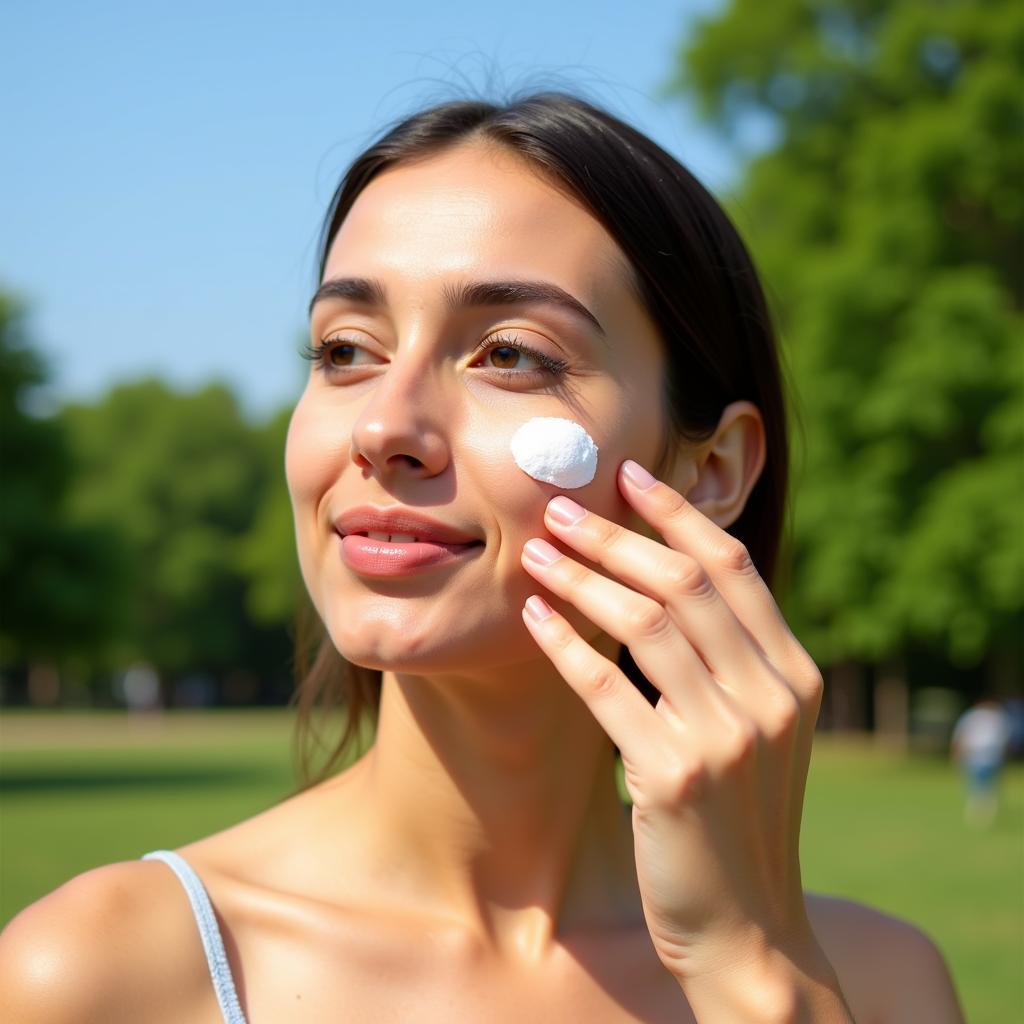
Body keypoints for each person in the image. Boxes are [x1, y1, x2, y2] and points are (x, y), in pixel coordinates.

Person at [0, 90, 965, 1022]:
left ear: (711, 469)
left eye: (509, 354)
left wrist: (753, 969)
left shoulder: (877, 987)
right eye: (345, 350)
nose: (383, 426)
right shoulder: (94, 978)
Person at [951, 698, 1012, 828]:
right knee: (982, 786)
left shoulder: (980, 717)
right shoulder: (996, 718)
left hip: (984, 757)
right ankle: (983, 810)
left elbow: (961, 737)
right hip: (982, 757)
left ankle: (981, 811)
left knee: (980, 786)